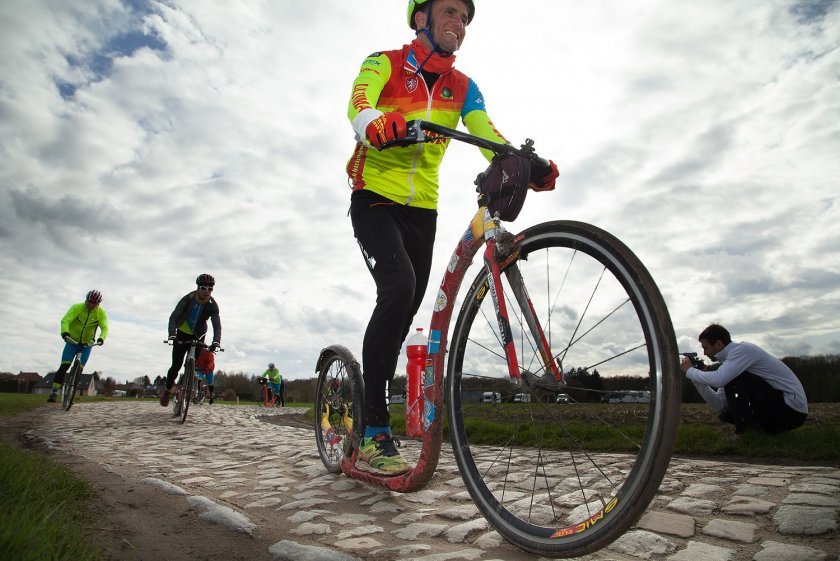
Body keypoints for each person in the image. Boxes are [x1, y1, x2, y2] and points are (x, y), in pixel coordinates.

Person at [345, 0, 558, 475]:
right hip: (375, 198)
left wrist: (527, 164)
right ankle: (374, 434)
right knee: (398, 287)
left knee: (406, 308)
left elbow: (486, 132)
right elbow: (357, 104)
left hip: (424, 211)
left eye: (464, 16)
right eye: (448, 11)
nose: (457, 23)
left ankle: (375, 397)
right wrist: (376, 125)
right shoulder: (385, 62)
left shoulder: (463, 87)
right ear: (421, 17)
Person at [680, 324, 808, 434]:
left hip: (792, 410)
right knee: (726, 413)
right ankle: (755, 431)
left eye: (706, 348)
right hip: (782, 410)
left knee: (733, 378)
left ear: (718, 344)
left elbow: (719, 379)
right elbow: (719, 404)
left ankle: (746, 430)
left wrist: (690, 371)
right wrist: (696, 379)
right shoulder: (731, 363)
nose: (704, 353)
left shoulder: (742, 350)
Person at [160, 274, 221, 407]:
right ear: (198, 287)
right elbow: (174, 316)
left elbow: (216, 324)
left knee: (194, 365)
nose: (206, 291)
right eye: (203, 288)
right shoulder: (188, 299)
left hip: (198, 336)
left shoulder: (212, 305)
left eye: (210, 289)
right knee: (176, 366)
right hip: (182, 334)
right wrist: (172, 334)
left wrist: (216, 341)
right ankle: (167, 390)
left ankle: (188, 382)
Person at [48, 290, 109, 402]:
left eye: (94, 303)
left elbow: (105, 328)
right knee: (64, 366)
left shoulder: (101, 314)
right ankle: (54, 392)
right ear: (86, 300)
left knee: (79, 369)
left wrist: (101, 338)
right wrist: (65, 332)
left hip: (87, 344)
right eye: (89, 302)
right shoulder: (77, 307)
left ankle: (71, 391)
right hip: (72, 341)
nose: (91, 305)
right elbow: (66, 320)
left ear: (98, 304)